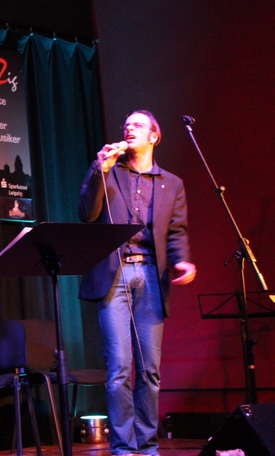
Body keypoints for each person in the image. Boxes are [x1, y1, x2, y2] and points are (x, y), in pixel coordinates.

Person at [78, 110, 197, 456]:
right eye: (126, 124)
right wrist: (99, 169)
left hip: (151, 277)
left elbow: (176, 231)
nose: (129, 128)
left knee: (149, 369)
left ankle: (147, 446)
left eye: (138, 125)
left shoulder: (171, 183)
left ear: (154, 137)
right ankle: (123, 447)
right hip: (114, 275)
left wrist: (181, 259)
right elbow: (86, 214)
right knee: (119, 367)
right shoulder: (109, 171)